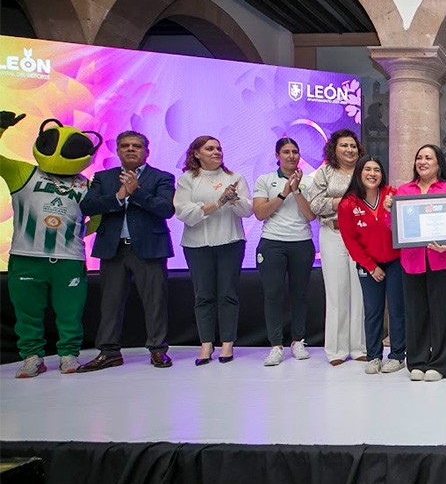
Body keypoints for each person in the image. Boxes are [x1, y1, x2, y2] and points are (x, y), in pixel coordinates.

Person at [2, 112, 97, 377]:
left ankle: (68, 355)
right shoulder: (23, 171)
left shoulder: (86, 183)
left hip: (69, 259)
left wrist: (74, 234)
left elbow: (97, 219)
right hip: (26, 256)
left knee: (70, 312)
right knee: (27, 312)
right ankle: (32, 356)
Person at [78, 130, 176, 372]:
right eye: (125, 146)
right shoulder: (103, 178)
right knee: (110, 303)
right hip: (114, 249)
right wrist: (119, 196)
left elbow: (166, 209)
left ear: (146, 152)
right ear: (118, 151)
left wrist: (137, 192)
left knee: (155, 302)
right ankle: (109, 352)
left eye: (136, 146)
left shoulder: (161, 177)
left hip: (150, 249)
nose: (131, 149)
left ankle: (158, 350)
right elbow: (87, 205)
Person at [173, 136, 251, 365]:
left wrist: (233, 199)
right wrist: (217, 203)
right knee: (203, 295)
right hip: (198, 245)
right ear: (196, 153)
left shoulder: (234, 178)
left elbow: (247, 211)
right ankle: (206, 344)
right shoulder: (187, 180)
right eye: (210, 148)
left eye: (218, 148)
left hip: (230, 243)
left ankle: (228, 343)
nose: (216, 152)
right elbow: (184, 213)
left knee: (228, 293)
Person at [395, 144, 446, 381]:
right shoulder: (403, 191)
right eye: (419, 157)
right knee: (415, 313)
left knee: (442, 313)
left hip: (442, 260)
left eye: (428, 157)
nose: (422, 161)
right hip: (412, 261)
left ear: (438, 164)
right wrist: (389, 213)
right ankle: (416, 361)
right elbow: (394, 229)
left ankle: (440, 364)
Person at [251, 137, 316, 367]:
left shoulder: (309, 181)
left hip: (301, 242)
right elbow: (260, 213)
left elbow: (310, 216)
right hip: (272, 243)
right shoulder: (265, 180)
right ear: (277, 155)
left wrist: (297, 191)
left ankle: (298, 340)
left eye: (295, 152)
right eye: (286, 152)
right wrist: (283, 192)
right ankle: (276, 345)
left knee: (299, 293)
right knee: (273, 294)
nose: (291, 156)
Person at [338, 156, 406, 375]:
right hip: (369, 265)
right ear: (359, 172)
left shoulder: (392, 194)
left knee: (397, 310)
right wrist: (370, 266)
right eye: (367, 169)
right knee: (373, 311)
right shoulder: (348, 203)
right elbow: (350, 241)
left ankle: (397, 355)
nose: (372, 173)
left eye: (377, 170)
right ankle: (374, 355)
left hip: (396, 262)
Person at [308, 130, 367, 365]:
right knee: (336, 292)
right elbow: (315, 204)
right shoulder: (325, 172)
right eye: (344, 145)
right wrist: (344, 202)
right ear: (334, 148)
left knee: (359, 292)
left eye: (353, 146)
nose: (349, 150)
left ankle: (359, 347)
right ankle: (336, 350)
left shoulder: (365, 171)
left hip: (361, 236)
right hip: (333, 234)